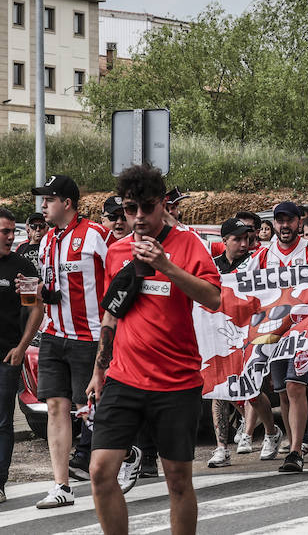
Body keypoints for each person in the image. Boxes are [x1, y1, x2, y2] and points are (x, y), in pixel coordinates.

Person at [87, 165, 222, 535]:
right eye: (131, 209)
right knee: (100, 472)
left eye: (147, 207)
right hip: (124, 378)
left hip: (176, 382)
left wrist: (166, 265)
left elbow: (213, 298)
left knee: (177, 479)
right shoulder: (116, 252)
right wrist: (99, 369)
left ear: (163, 204)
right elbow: (112, 313)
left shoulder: (188, 244)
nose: (139, 217)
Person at [29, 175, 110, 508]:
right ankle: (61, 484)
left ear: (66, 202)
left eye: (48, 200)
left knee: (92, 409)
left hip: (88, 336)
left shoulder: (95, 235)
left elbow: (118, 276)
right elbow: (52, 289)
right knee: (55, 407)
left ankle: (119, 459)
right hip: (53, 334)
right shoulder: (47, 240)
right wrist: (40, 292)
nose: (43, 206)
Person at [247, 201, 308, 472]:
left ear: (298, 223)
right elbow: (243, 286)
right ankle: (294, 444)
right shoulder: (261, 255)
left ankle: (296, 450)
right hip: (272, 332)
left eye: (289, 220)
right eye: (279, 220)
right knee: (281, 391)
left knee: (295, 386)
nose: (284, 225)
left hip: (304, 331)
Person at [206, 217, 256, 470]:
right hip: (219, 335)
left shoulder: (256, 263)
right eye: (237, 239)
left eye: (247, 238)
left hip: (250, 335)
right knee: (218, 391)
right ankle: (222, 448)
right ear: (224, 241)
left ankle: (265, 431)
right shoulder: (212, 266)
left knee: (252, 390)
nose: (244, 243)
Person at [0, 208, 42, 505]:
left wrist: (22, 347)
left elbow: (35, 309)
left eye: (12, 231)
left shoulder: (19, 267)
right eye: (4, 231)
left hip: (6, 357)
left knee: (2, 422)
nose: (9, 237)